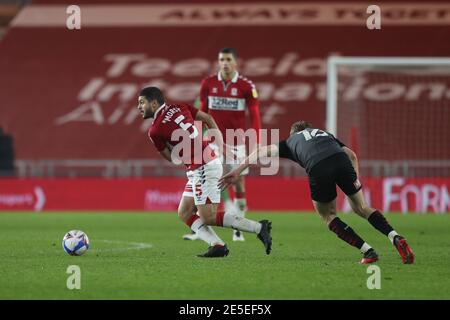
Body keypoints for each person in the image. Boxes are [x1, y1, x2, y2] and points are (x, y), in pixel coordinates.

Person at [220, 121, 414, 264]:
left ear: (294, 132)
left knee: (328, 216)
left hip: (318, 167)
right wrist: (354, 179)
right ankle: (395, 236)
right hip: (342, 161)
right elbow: (352, 155)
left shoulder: (289, 142)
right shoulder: (324, 133)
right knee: (362, 207)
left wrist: (237, 171)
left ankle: (368, 252)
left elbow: (260, 152)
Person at [137, 86, 272, 258]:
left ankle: (259, 227)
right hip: (205, 162)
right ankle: (217, 245)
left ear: (154, 103)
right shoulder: (180, 106)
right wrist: (220, 143)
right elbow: (207, 117)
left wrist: (181, 152)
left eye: (142, 103)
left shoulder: (155, 130)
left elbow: (171, 158)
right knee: (185, 212)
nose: (139, 107)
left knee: (207, 216)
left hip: (202, 167)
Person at [184, 47, 262, 242]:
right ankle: (200, 229)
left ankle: (239, 228)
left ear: (235, 62)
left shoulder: (246, 86)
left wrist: (257, 143)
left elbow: (255, 116)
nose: (225, 63)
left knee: (238, 182)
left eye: (228, 59)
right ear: (218, 62)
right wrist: (195, 136)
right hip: (212, 143)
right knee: (206, 180)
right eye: (221, 59)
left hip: (237, 143)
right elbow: (201, 112)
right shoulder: (208, 83)